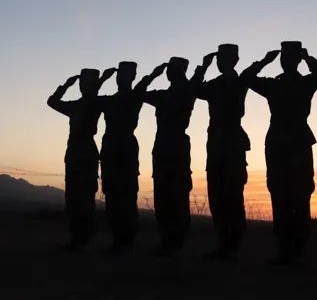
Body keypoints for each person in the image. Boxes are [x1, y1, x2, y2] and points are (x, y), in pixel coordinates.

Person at [242, 42, 317, 264]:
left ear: (296, 60)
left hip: (295, 143)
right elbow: (246, 79)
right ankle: (285, 248)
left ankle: (298, 248)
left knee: (300, 196)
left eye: (290, 57)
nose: (285, 61)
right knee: (280, 196)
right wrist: (264, 61)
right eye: (283, 58)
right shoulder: (275, 84)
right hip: (280, 145)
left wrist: (307, 58)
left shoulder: (303, 83)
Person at [143, 56, 209, 255]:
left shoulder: (188, 90)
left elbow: (195, 82)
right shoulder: (162, 95)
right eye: (168, 70)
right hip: (162, 149)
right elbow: (138, 94)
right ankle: (167, 242)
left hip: (177, 148)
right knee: (162, 197)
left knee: (177, 195)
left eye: (173, 69)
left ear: (181, 71)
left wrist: (202, 67)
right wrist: (153, 75)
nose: (168, 73)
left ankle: (175, 243)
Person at [100, 61, 167, 251]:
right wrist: (102, 79)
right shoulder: (109, 100)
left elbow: (144, 83)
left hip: (126, 149)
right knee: (111, 193)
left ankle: (127, 237)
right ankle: (117, 237)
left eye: (125, 74)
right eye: (119, 75)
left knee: (127, 193)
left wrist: (155, 73)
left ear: (132, 77)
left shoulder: (135, 96)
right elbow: (91, 97)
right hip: (109, 149)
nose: (120, 78)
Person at [48, 67, 115, 249]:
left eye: (85, 83)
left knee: (85, 198)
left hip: (85, 154)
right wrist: (65, 86)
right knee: (73, 198)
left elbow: (91, 100)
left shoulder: (95, 103)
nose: (81, 86)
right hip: (74, 155)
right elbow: (52, 102)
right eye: (81, 83)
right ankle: (76, 238)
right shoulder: (76, 105)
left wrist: (101, 81)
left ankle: (83, 238)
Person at [196, 44, 250, 259]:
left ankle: (233, 244)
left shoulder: (241, 81)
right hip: (216, 145)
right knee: (216, 196)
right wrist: (203, 67)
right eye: (219, 61)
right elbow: (193, 89)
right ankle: (223, 243)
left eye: (224, 60)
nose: (221, 64)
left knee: (233, 194)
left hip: (233, 144)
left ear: (235, 60)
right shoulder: (214, 85)